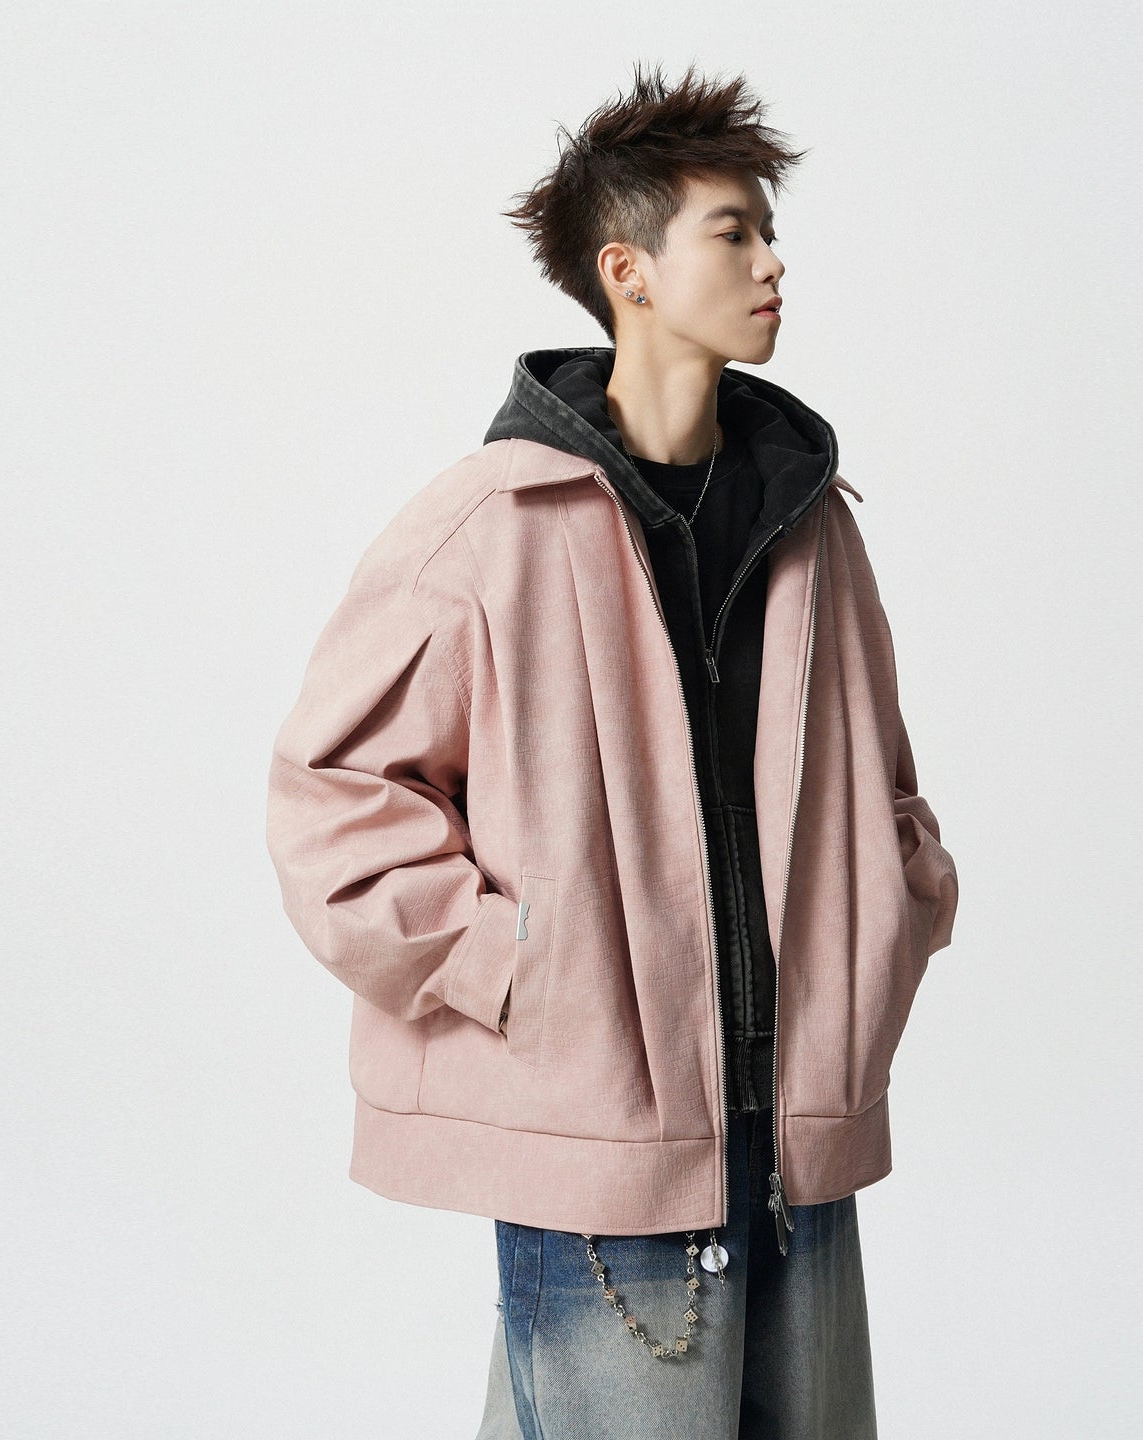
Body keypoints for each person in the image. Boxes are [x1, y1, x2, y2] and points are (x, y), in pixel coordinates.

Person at [266, 60, 958, 1439]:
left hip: (792, 1136)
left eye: (770, 232)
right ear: (627, 271)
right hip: (600, 1135)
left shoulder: (812, 520)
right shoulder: (489, 526)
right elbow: (333, 800)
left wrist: (895, 909)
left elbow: (883, 775)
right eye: (734, 232)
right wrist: (520, 966)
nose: (772, 263)